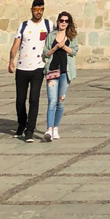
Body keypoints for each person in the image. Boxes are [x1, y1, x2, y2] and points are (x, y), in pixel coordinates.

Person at [9, 0, 51, 143]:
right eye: (36, 9)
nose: (39, 12)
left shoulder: (48, 25)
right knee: (20, 100)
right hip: (22, 67)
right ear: (32, 9)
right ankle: (21, 124)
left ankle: (30, 131)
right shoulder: (24, 26)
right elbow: (16, 44)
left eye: (41, 9)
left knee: (34, 99)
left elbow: (55, 40)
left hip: (39, 67)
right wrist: (11, 60)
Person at [41, 10, 78, 141]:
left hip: (65, 72)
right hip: (52, 71)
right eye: (61, 21)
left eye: (66, 21)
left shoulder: (72, 36)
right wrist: (56, 47)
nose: (63, 23)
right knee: (52, 101)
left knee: (61, 101)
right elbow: (45, 53)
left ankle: (56, 127)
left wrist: (64, 47)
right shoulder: (51, 36)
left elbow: (74, 51)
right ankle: (49, 129)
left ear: (69, 23)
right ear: (57, 22)